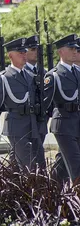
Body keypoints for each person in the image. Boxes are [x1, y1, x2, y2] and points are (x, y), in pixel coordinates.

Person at [0, 38, 46, 170]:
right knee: (29, 167)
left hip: (33, 126)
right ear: (10, 55)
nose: (24, 55)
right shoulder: (3, 78)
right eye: (20, 53)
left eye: (25, 52)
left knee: (40, 164)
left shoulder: (30, 76)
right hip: (17, 127)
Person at [44, 34, 80, 184]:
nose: (75, 51)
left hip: (77, 122)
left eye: (76, 49)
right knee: (77, 167)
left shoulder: (77, 72)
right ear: (60, 52)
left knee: (62, 166)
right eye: (71, 48)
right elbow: (44, 104)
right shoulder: (54, 75)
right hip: (63, 124)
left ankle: (50, 195)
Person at [24, 35, 48, 144]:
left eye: (38, 49)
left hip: (41, 117)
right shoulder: (21, 72)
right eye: (32, 50)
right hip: (26, 117)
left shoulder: (44, 72)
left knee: (38, 150)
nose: (36, 52)